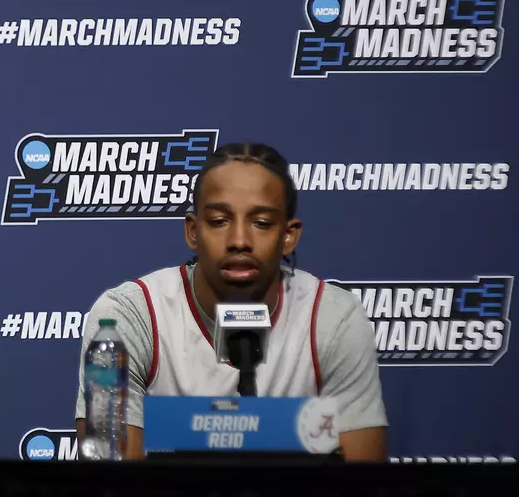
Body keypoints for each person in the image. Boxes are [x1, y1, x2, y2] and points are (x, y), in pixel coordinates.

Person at [75, 142, 387, 461]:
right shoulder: (129, 316)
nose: (239, 241)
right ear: (193, 231)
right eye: (219, 220)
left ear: (288, 236)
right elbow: (110, 480)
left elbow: (360, 484)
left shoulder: (333, 318)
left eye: (261, 223)